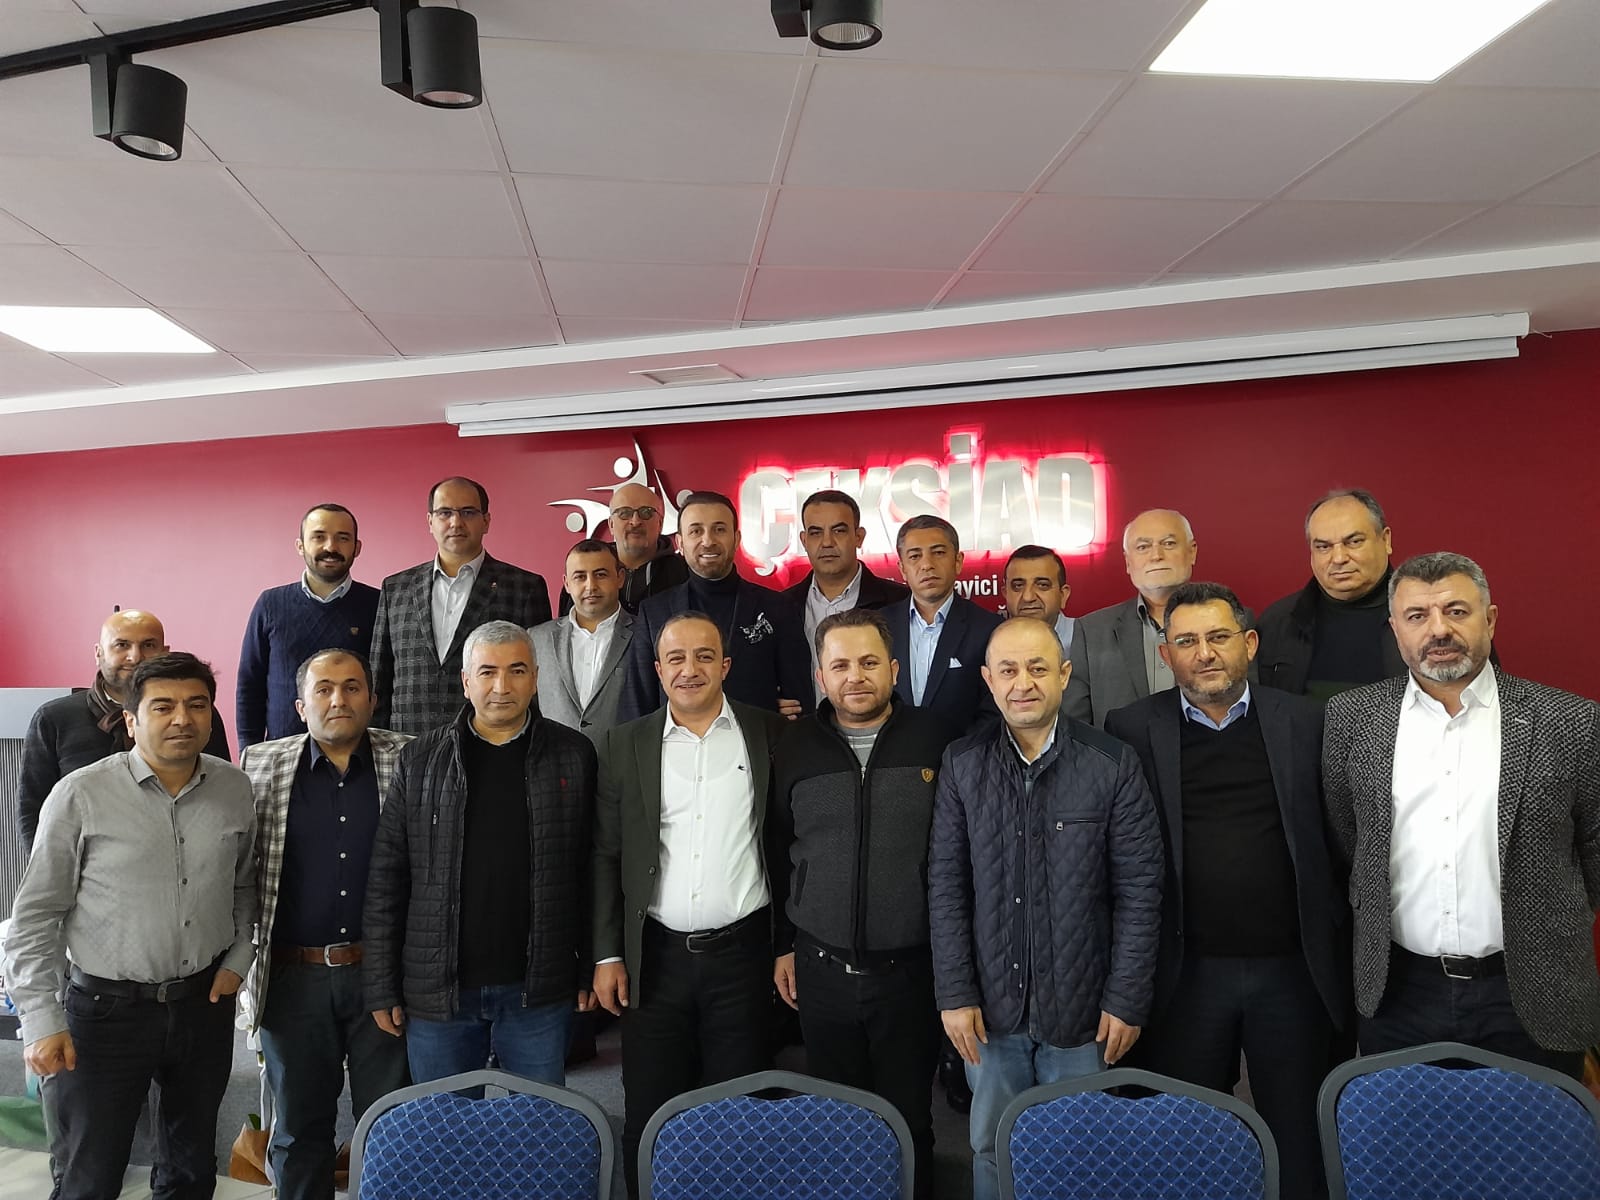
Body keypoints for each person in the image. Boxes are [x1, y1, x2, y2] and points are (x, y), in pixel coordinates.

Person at [1105, 583, 1348, 1200]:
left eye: (1218, 637)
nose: (1204, 653)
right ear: (1166, 656)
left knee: (1300, 1138)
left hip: (1291, 971)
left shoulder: (1306, 722)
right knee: (1187, 1138)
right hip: (1186, 974)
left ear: (1250, 643)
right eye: (1186, 641)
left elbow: (1341, 839)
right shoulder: (1131, 728)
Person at [1324, 551, 1600, 1080]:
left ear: (1489, 619)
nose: (1438, 630)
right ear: (1395, 630)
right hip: (1399, 993)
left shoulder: (1570, 721)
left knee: (1536, 1133)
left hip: (1534, 991)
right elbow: (1349, 840)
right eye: (1417, 616)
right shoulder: (1353, 718)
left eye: (1456, 611)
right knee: (1406, 1131)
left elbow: (1594, 850)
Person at [4, 652, 255, 1200]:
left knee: (190, 1170)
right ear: (131, 720)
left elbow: (244, 887)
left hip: (203, 1006)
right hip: (104, 1013)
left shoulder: (235, 788)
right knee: (90, 1174)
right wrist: (41, 1016)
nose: (182, 718)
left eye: (196, 705)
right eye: (162, 707)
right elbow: (36, 914)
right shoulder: (81, 794)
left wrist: (238, 961)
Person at [929, 618, 1162, 1200]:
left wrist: (1127, 997)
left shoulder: (1112, 763)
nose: (1023, 683)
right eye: (1008, 670)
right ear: (988, 680)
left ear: (1064, 674)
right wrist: (954, 993)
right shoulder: (962, 764)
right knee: (991, 1147)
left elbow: (1140, 889)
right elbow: (947, 885)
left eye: (1038, 668)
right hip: (989, 1013)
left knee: (1079, 1155)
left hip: (1083, 1013)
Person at [591, 612, 788, 1199]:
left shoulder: (771, 735)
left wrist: (788, 945)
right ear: (658, 669)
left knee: (741, 1112)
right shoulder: (624, 743)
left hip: (743, 956)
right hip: (654, 960)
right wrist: (606, 954)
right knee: (651, 1112)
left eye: (704, 656)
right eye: (675, 658)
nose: (690, 669)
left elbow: (790, 845)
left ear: (725, 666)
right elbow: (605, 855)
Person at [363, 621, 597, 1085]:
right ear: (466, 681)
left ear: (535, 678)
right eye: (487, 672)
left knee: (540, 1119)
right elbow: (388, 877)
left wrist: (589, 966)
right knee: (443, 1122)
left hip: (538, 988)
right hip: (439, 991)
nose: (501, 686)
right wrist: (381, 983)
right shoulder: (420, 760)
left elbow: (591, 871)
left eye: (517, 671)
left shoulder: (573, 754)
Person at [770, 608, 945, 1199]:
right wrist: (783, 946)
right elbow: (776, 850)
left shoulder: (936, 738)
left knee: (910, 1121)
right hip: (820, 970)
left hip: (911, 971)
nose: (856, 676)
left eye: (869, 662)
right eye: (840, 665)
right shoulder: (793, 747)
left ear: (894, 669)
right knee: (836, 1123)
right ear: (820, 676)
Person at [240, 649, 412, 1200]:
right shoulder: (258, 764)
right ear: (300, 705)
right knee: (297, 1130)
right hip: (293, 977)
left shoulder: (409, 758)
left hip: (383, 976)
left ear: (372, 699)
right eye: (324, 689)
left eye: (352, 687)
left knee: (389, 1126)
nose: (339, 699)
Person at [17, 609, 230, 852]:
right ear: (99, 653)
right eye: (122, 645)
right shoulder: (54, 718)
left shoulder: (194, 715)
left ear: (164, 652)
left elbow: (218, 787)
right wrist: (50, 867)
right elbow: (32, 809)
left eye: (148, 645)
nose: (135, 657)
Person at [370, 476, 553, 735]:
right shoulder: (396, 588)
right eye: (445, 513)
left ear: (486, 521)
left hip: (490, 740)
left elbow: (536, 681)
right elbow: (378, 678)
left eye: (468, 512)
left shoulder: (524, 587)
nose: (456, 522)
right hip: (408, 740)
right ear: (430, 521)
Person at [617, 490, 811, 721]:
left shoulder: (778, 608)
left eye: (719, 529)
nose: (708, 541)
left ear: (736, 539)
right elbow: (637, 706)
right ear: (680, 542)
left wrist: (773, 719)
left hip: (759, 741)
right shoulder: (653, 613)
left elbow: (800, 705)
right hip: (676, 743)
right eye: (696, 531)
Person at [236, 503, 381, 748]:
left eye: (342, 538)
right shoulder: (270, 604)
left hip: (359, 754)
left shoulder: (378, 604)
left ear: (357, 548)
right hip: (282, 753)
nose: (330, 547)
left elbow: (385, 685)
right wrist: (248, 750)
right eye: (319, 537)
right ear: (300, 546)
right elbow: (250, 684)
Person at [1256, 489, 1404, 702]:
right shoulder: (1276, 623)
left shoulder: (1426, 619)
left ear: (1385, 540)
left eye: (1354, 542)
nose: (1339, 558)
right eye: (1323, 547)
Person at [1063, 508, 1198, 726]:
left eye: (1169, 543)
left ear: (1192, 552)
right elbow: (1075, 727)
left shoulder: (1232, 621)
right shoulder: (1091, 630)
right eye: (1143, 547)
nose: (1156, 555)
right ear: (1127, 562)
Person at [884, 514, 1003, 742]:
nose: (927, 564)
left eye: (938, 553)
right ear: (902, 568)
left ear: (958, 561)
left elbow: (993, 710)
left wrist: (959, 757)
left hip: (964, 758)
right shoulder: (878, 627)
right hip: (890, 759)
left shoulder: (989, 629)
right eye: (915, 556)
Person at [781, 489, 909, 687]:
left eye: (839, 531)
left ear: (859, 537)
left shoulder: (901, 602)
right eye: (816, 533)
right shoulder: (780, 607)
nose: (827, 542)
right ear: (804, 541)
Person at [532, 539, 635, 742]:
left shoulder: (645, 634)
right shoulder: (537, 638)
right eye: (580, 576)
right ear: (567, 584)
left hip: (624, 758)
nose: (591, 586)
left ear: (620, 578)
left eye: (600, 574)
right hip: (556, 758)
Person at [1003, 544, 1074, 652]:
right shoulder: (993, 643)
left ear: (1063, 595)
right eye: (1018, 586)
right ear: (1006, 594)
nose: (1028, 597)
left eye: (1042, 585)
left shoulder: (1087, 639)